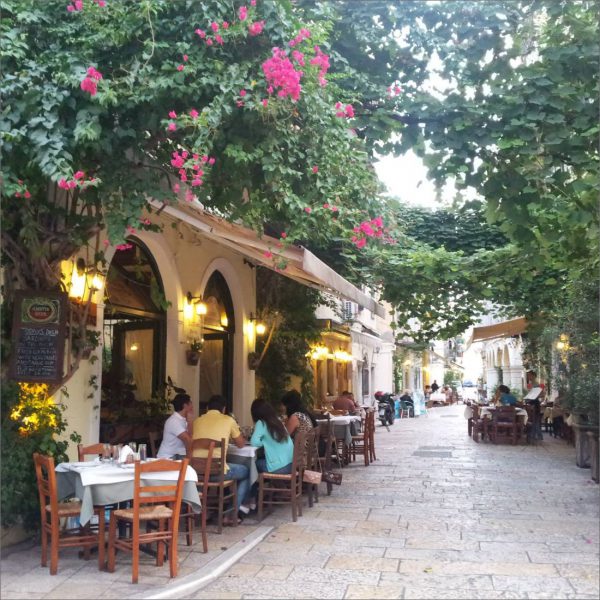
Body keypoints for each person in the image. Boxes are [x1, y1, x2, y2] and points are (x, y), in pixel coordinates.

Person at [192, 394, 251, 520]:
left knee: (230, 468)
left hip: (196, 472)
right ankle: (230, 513)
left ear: (207, 408)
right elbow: (240, 444)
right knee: (248, 471)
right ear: (224, 409)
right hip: (217, 472)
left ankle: (204, 510)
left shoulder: (196, 421)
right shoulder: (229, 420)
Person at [250, 398, 293, 475]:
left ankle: (253, 487)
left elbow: (253, 442)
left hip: (279, 467)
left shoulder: (261, 422)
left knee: (252, 464)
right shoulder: (277, 421)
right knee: (264, 459)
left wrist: (264, 442)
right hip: (291, 465)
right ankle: (277, 485)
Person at [156, 393, 193, 459]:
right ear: (185, 405)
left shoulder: (184, 419)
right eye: (190, 403)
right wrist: (189, 458)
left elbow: (190, 437)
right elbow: (187, 439)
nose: (192, 406)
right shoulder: (174, 421)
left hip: (177, 455)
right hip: (167, 457)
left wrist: (190, 422)